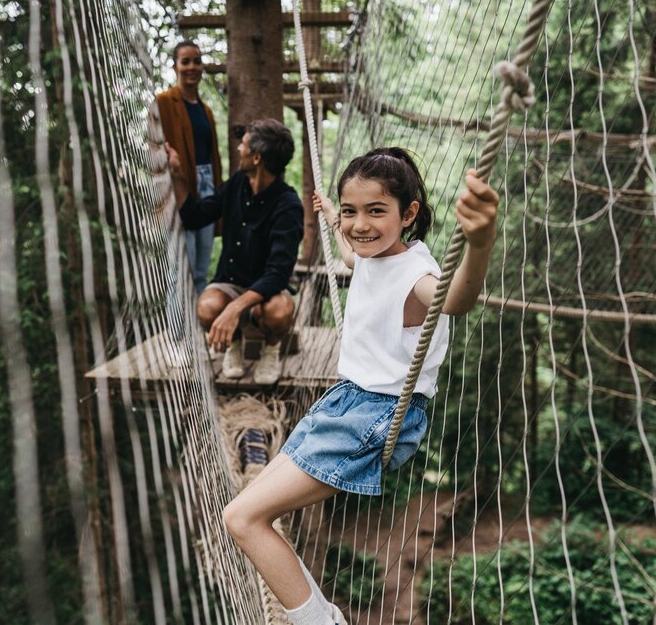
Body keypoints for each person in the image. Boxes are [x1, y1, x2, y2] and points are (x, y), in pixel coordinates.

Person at [220, 148, 500, 624]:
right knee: (248, 509)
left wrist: (480, 243)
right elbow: (352, 254)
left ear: (408, 214)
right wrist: (334, 217)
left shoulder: (417, 275)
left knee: (243, 519)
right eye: (353, 211)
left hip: (376, 415)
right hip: (343, 403)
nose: (361, 224)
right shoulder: (373, 252)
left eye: (376, 211)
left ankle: (321, 621)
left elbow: (454, 299)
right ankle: (322, 613)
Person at [167, 118, 302, 385]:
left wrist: (234, 309)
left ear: (257, 157)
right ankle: (234, 345)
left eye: (243, 144)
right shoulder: (236, 184)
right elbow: (194, 216)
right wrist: (177, 173)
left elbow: (278, 274)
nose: (239, 149)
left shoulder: (288, 204)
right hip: (230, 282)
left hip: (268, 292)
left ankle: (270, 350)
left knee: (280, 311)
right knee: (207, 307)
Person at [155, 39, 223, 294]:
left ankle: (197, 318)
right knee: (182, 268)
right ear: (175, 67)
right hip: (179, 185)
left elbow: (212, 155)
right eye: (186, 62)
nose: (192, 67)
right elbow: (152, 147)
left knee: (201, 269)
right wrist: (169, 165)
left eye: (197, 61)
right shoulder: (163, 102)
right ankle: (178, 322)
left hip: (207, 185)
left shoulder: (206, 111)